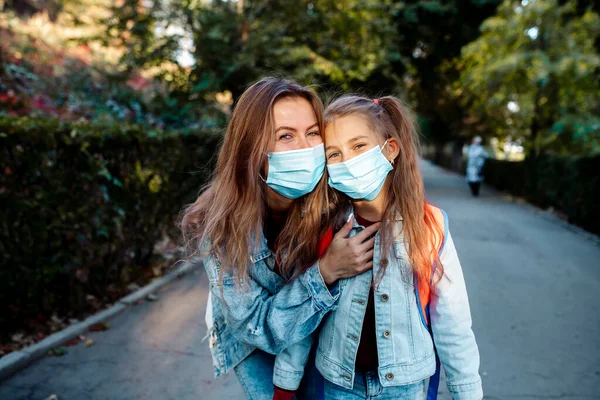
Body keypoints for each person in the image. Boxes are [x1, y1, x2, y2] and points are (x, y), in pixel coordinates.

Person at [273, 95, 483, 400]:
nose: (347, 161)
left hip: (406, 388)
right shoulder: (326, 229)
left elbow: (453, 321)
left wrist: (468, 393)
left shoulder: (429, 226)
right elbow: (305, 313)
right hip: (338, 385)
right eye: (334, 154)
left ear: (390, 149)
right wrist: (285, 384)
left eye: (359, 146)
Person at [181, 77, 379, 400]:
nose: (304, 147)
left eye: (313, 133)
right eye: (286, 136)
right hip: (253, 341)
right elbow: (255, 327)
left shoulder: (335, 196)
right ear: (252, 148)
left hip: (316, 331)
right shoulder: (219, 226)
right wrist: (326, 271)